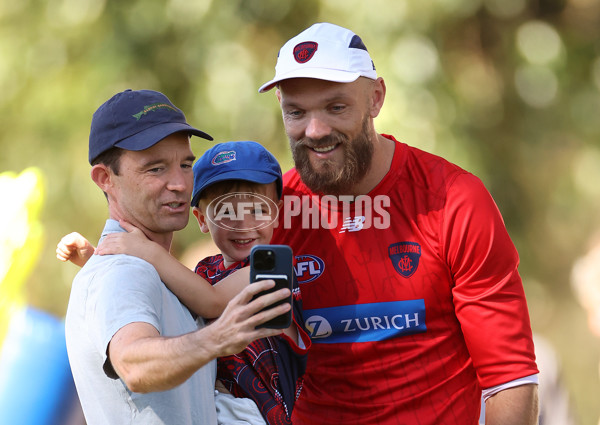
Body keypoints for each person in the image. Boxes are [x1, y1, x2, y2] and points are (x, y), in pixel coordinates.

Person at [258, 22, 540, 424]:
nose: (315, 130)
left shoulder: (454, 200)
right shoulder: (273, 212)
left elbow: (509, 380)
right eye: (296, 112)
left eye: (336, 107)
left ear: (376, 98)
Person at [63, 89, 292, 425]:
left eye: (186, 164)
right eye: (155, 169)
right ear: (105, 179)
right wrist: (215, 338)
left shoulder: (155, 270)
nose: (180, 183)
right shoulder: (123, 270)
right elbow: (131, 363)